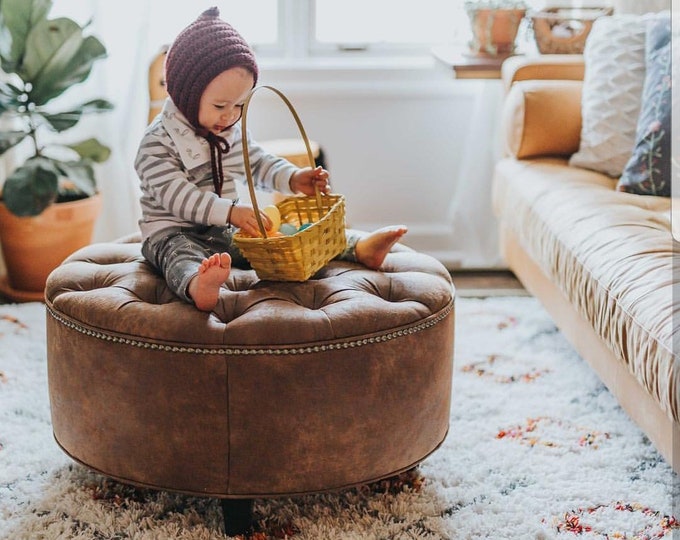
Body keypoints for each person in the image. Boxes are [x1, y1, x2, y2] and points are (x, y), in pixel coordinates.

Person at [135, 7, 407, 312]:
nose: (230, 116)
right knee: (179, 254)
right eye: (220, 105)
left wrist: (292, 178)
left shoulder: (227, 131)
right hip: (173, 231)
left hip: (223, 231)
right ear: (186, 95)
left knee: (284, 239)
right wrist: (232, 212)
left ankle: (358, 246)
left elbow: (259, 162)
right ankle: (197, 284)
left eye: (240, 104)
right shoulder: (156, 143)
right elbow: (177, 198)